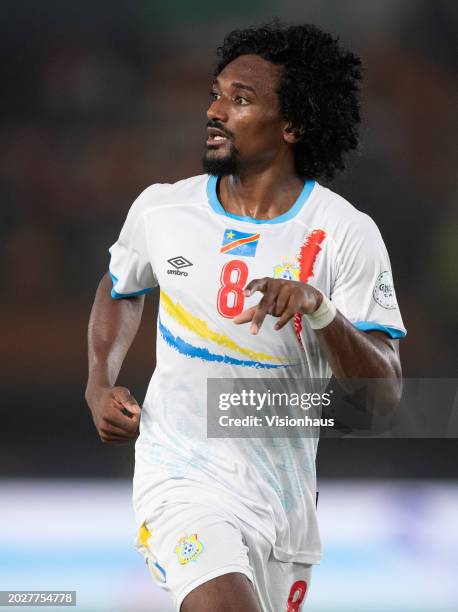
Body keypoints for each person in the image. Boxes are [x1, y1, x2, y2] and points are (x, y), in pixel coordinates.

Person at [85, 22, 406, 612]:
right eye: (216, 93)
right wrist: (99, 381)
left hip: (283, 506)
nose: (214, 110)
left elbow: (381, 397)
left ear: (294, 126)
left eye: (240, 99)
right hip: (180, 481)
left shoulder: (344, 233)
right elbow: (121, 284)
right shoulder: (163, 209)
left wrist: (321, 309)